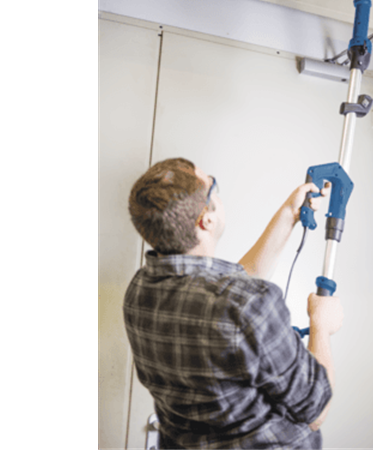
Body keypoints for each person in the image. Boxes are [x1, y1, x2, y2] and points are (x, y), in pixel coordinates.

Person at [123, 157, 344, 450]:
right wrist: (321, 326)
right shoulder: (247, 306)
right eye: (212, 185)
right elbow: (316, 412)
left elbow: (233, 286)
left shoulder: (139, 292)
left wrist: (289, 213)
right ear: (206, 220)